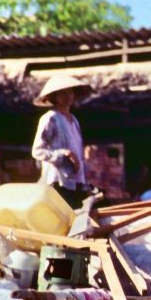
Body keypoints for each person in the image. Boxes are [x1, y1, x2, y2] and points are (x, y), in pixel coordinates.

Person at [31, 75, 91, 205]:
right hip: (58, 180)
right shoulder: (50, 118)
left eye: (70, 92)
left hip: (77, 182)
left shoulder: (74, 121)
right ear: (54, 97)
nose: (68, 95)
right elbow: (37, 151)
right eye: (62, 93)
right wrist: (63, 154)